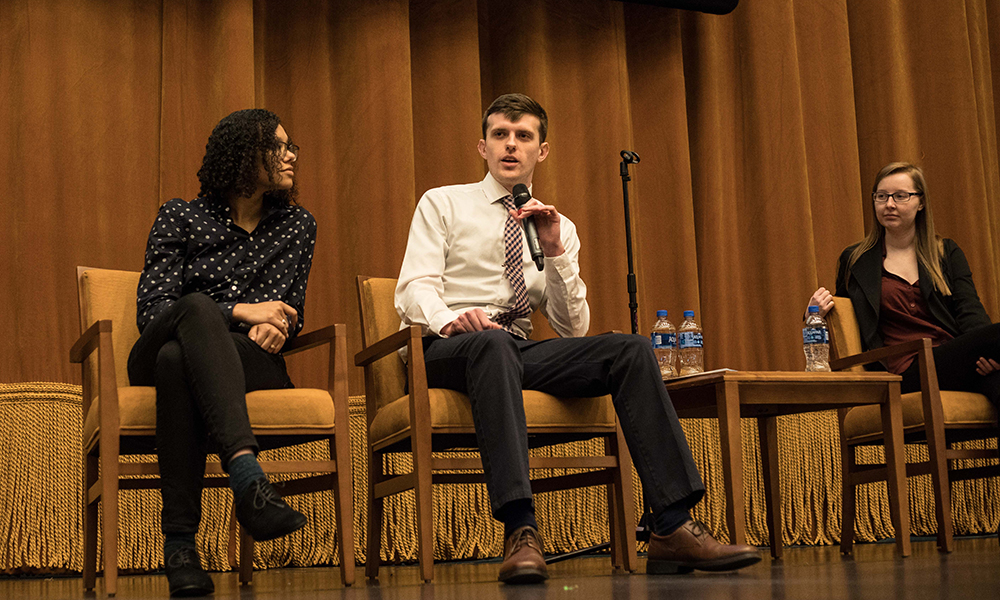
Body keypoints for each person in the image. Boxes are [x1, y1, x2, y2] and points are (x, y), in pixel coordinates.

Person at [394, 93, 761, 584]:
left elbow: (573, 328)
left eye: (523, 137)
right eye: (500, 134)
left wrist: (556, 252)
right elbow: (414, 287)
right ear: (482, 147)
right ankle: (520, 529)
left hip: (513, 348)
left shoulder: (557, 224)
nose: (511, 145)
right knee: (494, 343)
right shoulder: (443, 202)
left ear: (541, 151)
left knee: (628, 349)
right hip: (445, 346)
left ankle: (671, 525)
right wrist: (451, 319)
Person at [128, 109, 316, 597]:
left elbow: (290, 307)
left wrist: (281, 326)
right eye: (278, 147)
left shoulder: (297, 224)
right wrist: (242, 310)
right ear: (242, 157)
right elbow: (153, 311)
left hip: (249, 364)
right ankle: (248, 478)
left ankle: (180, 548)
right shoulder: (180, 215)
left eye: (291, 145)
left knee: (178, 363)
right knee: (191, 314)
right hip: (157, 346)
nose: (291, 155)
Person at [808, 162, 999, 404]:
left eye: (900, 196)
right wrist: (814, 313)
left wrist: (986, 354)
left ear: (921, 202)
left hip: (953, 358)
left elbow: (970, 311)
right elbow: (844, 317)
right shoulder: (856, 260)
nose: (889, 204)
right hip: (905, 370)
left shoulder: (945, 252)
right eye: (881, 196)